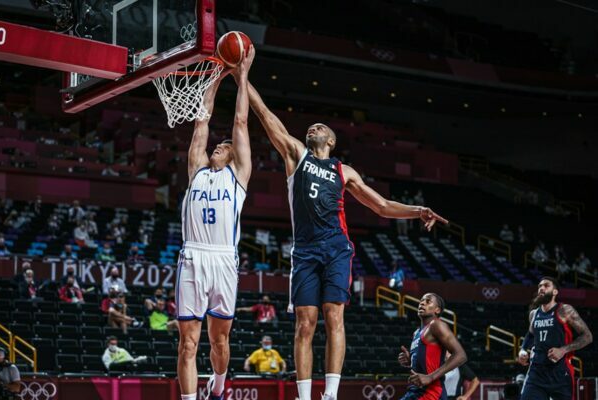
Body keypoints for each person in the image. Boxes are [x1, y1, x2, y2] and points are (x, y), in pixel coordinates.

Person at [246, 75, 448, 400]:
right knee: (304, 322)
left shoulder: (344, 170)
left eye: (319, 127)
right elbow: (267, 117)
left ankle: (331, 395)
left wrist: (417, 209)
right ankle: (303, 395)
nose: (312, 128)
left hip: (336, 247)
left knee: (333, 314)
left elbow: (381, 206)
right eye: (310, 126)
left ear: (331, 140)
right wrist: (243, 77)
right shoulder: (297, 156)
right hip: (305, 251)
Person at [176, 47, 255, 400]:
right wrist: (216, 76)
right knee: (187, 342)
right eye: (217, 147)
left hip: (224, 258)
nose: (217, 149)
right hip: (193, 256)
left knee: (219, 339)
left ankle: (219, 386)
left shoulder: (238, 176)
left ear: (232, 154)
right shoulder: (196, 171)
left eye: (223, 148)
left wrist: (242, 76)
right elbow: (202, 120)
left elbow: (240, 122)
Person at [517, 277, 593, 400]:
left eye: (546, 285)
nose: (541, 288)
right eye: (540, 286)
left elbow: (587, 336)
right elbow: (530, 334)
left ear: (555, 292)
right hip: (536, 373)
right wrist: (523, 350)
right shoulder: (534, 314)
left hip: (560, 372)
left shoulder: (564, 310)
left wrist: (563, 350)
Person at [397, 293, 467, 400]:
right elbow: (426, 362)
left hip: (431, 393)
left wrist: (431, 377)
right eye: (421, 301)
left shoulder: (436, 325)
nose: (422, 303)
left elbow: (461, 355)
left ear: (437, 310)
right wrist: (410, 361)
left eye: (428, 301)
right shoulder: (416, 333)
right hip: (415, 391)